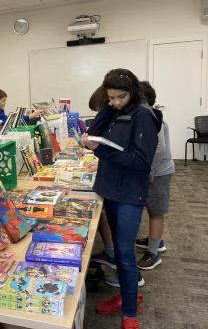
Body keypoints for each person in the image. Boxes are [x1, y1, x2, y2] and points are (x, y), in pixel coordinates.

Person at [82, 69, 161, 329]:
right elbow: (94, 133)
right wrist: (107, 107)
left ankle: (129, 314)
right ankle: (127, 297)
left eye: (120, 97)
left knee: (125, 255)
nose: (115, 102)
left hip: (129, 193)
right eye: (110, 97)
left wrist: (101, 150)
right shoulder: (115, 110)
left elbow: (140, 162)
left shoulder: (143, 117)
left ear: (133, 92)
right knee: (118, 250)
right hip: (112, 189)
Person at [135, 81, 174, 269]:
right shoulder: (149, 115)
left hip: (158, 173)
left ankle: (153, 253)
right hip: (154, 171)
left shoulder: (150, 119)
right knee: (152, 208)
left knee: (156, 211)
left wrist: (148, 174)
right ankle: (154, 240)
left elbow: (158, 150)